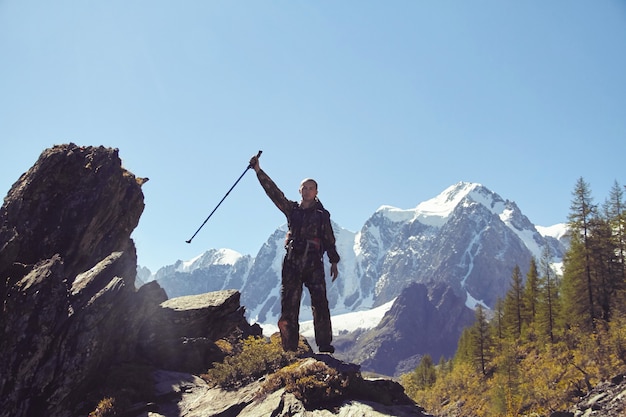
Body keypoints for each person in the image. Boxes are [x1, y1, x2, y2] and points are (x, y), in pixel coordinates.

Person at [249, 154, 340, 353]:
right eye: (304, 188)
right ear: (300, 190)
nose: (307, 191)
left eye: (310, 188)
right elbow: (274, 194)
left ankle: (324, 345)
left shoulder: (322, 215)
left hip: (314, 263)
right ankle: (289, 349)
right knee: (289, 305)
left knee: (320, 303)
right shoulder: (292, 210)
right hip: (292, 262)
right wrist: (258, 171)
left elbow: (329, 239)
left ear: (316, 192)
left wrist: (333, 261)